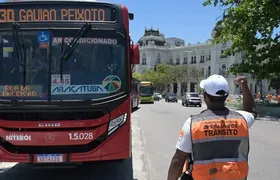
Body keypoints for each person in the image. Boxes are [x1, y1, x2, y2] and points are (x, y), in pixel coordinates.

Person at [167, 74, 257, 180]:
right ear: (226, 96)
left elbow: (178, 160)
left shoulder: (193, 124)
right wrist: (244, 86)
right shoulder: (242, 120)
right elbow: (250, 110)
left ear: (205, 97)